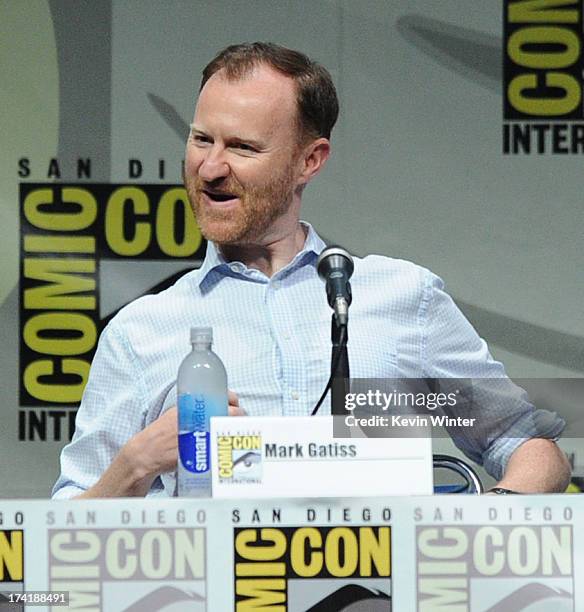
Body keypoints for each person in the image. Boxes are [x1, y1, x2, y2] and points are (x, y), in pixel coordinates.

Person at [52, 42, 570, 499]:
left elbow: (524, 442)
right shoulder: (141, 329)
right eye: (201, 139)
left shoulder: (403, 298)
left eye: (242, 147)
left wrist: (492, 514)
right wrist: (135, 466)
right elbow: (64, 535)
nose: (210, 168)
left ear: (310, 160)